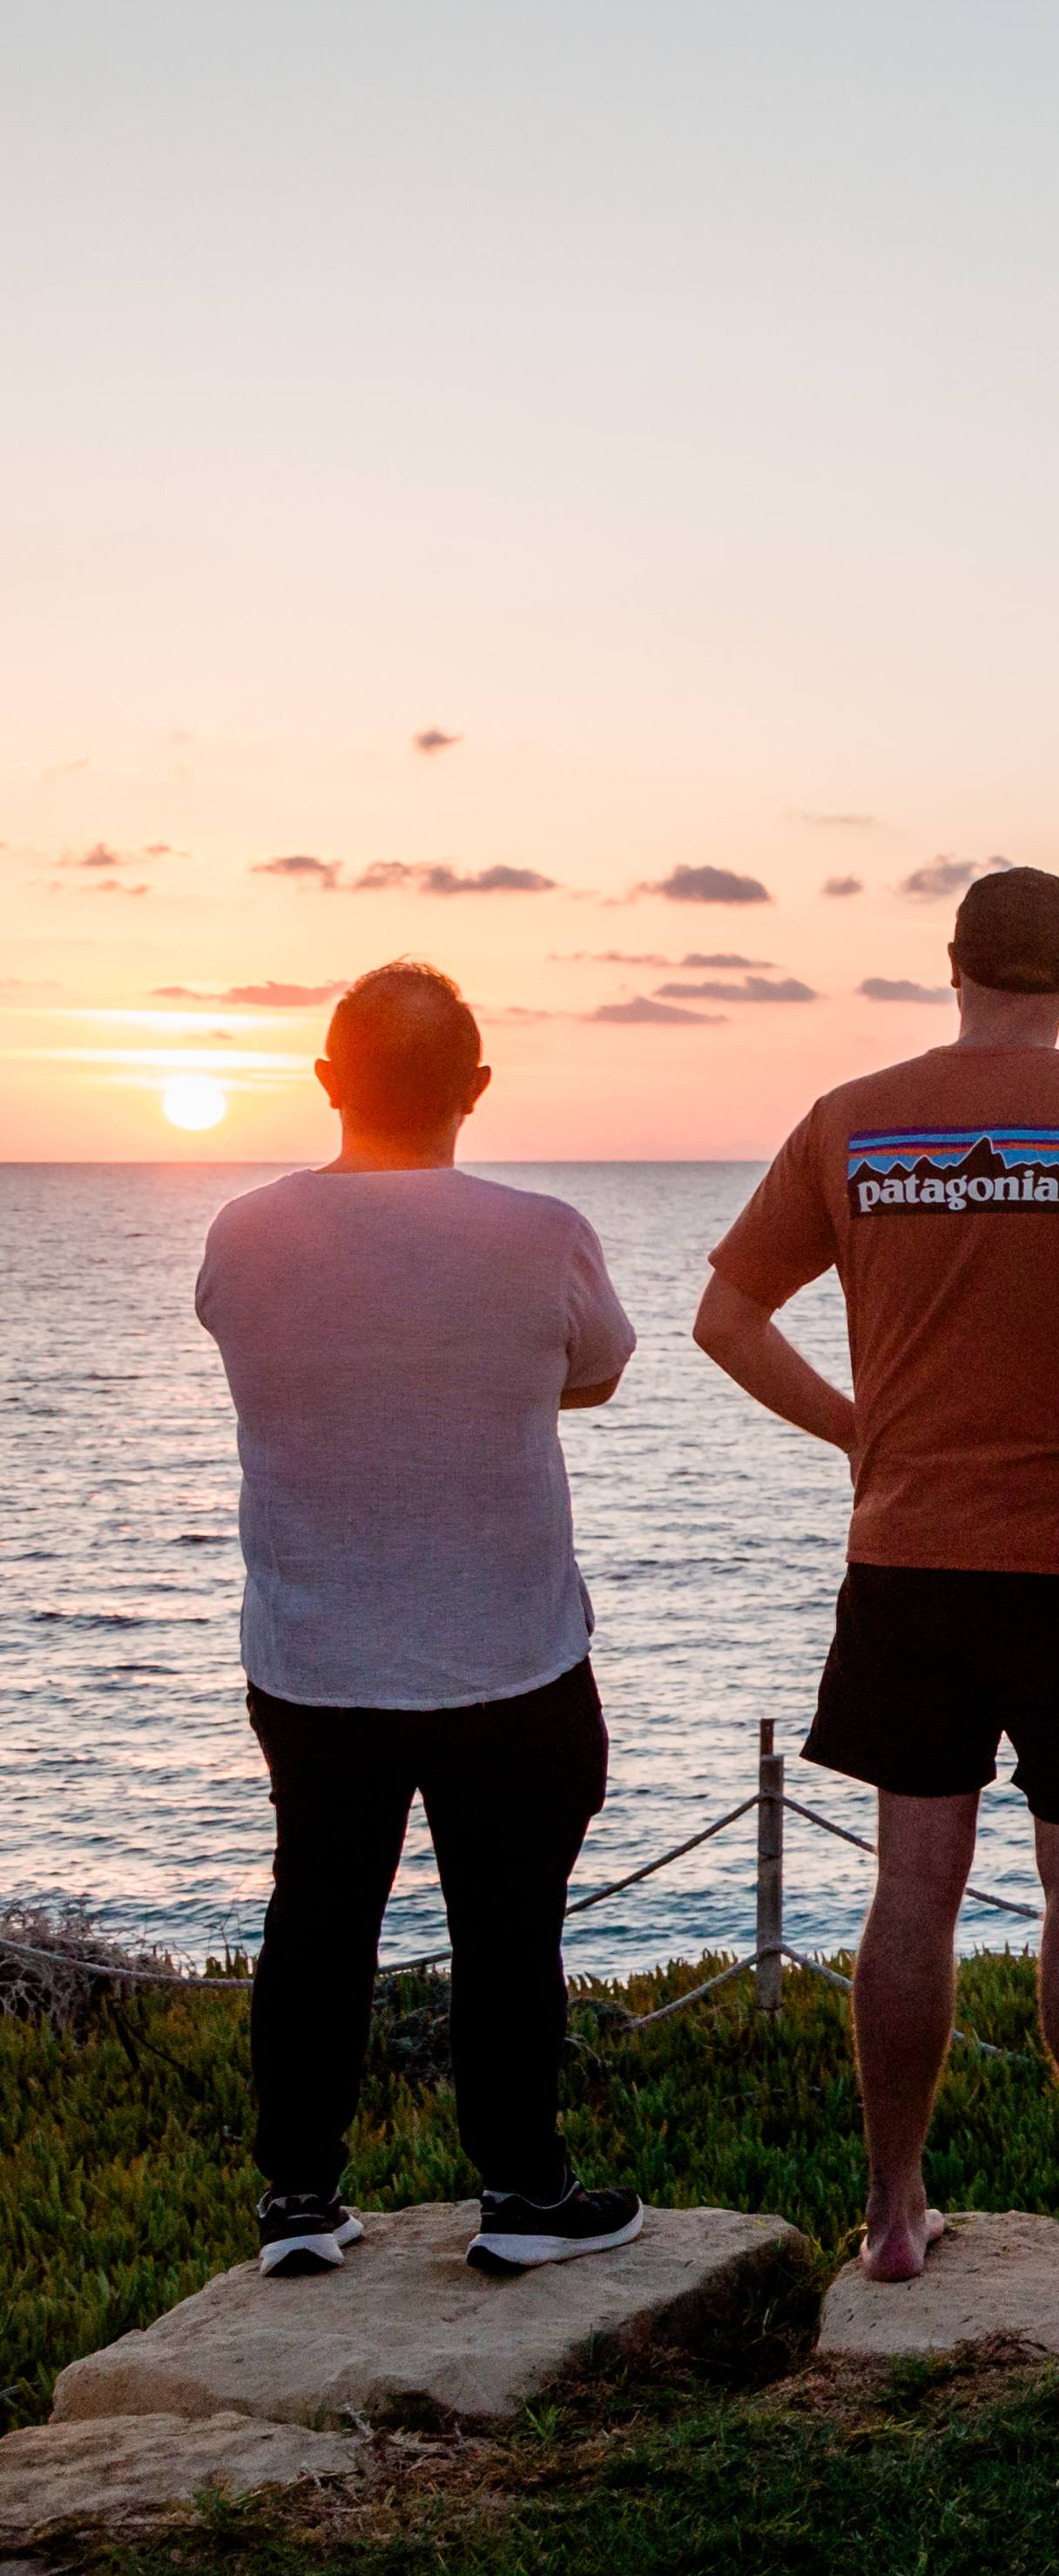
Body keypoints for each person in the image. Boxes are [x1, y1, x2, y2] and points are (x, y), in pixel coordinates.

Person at [693, 864, 1059, 2286]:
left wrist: (859, 1430)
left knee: (913, 1886)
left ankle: (892, 2215)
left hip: (909, 1555)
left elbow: (726, 1317)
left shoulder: (852, 1117)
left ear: (952, 964)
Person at [194, 963, 646, 2276]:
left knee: (316, 1918)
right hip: (512, 1651)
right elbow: (598, 1370)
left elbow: (252, 1349)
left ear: (328, 1082)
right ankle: (521, 2191)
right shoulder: (543, 1233)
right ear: (477, 1088)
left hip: (314, 1655)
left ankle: (298, 2199)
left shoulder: (244, 1233)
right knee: (511, 1928)